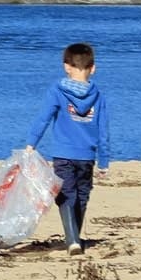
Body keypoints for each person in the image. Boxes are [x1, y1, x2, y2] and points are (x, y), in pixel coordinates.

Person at [27, 42, 110, 255]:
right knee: (81, 195)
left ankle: (72, 239)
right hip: (87, 155)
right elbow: (103, 131)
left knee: (67, 195)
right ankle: (74, 238)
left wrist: (31, 144)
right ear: (93, 68)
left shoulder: (58, 90)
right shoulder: (98, 95)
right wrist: (104, 161)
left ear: (66, 66)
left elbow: (43, 118)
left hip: (64, 153)